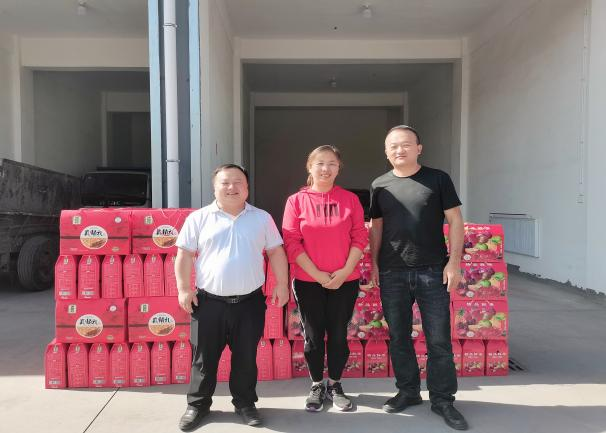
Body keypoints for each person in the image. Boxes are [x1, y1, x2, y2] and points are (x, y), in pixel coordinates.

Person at [174, 164, 289, 431]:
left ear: (247, 187)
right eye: (225, 182)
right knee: (204, 358)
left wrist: (282, 284)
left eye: (238, 182)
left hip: (250, 303)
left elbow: (275, 252)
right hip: (208, 303)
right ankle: (197, 405)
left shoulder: (262, 218)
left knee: (246, 357)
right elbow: (184, 254)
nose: (232, 187)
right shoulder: (199, 218)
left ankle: (245, 403)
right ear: (214, 187)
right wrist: (183, 288)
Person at [369, 126, 468, 430]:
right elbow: (377, 227)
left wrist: (453, 263)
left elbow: (455, 221)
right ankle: (408, 391)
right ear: (386, 152)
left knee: (438, 340)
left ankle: (443, 399)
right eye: (393, 146)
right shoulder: (379, 185)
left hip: (433, 270)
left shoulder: (438, 179)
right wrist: (374, 264)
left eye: (406, 145)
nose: (399, 150)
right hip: (392, 272)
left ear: (418, 148)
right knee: (399, 337)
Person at [282, 145, 368, 412]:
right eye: (320, 163)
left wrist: (344, 271)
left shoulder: (350, 200)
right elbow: (291, 242)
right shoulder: (296, 201)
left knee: (339, 334)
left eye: (332, 163)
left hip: (345, 279)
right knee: (313, 335)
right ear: (310, 167)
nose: (325, 168)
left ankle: (335, 384)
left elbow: (360, 237)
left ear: (339, 168)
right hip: (308, 281)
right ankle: (317, 384)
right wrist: (318, 275)